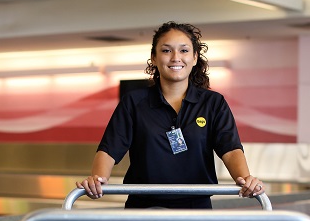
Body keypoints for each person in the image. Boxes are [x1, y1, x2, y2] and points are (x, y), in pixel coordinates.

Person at [77, 21, 264, 208]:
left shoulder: (213, 103)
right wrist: (98, 180)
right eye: (166, 51)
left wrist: (246, 179)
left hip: (196, 210)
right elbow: (109, 149)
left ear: (195, 57)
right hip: (142, 209)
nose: (176, 58)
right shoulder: (134, 103)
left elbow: (230, 150)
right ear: (154, 57)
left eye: (184, 51)